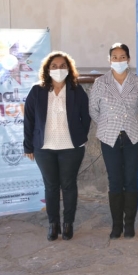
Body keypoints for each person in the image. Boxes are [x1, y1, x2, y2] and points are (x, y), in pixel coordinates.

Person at [23, 51, 91, 241]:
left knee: (69, 186)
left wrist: (79, 137)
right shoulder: (37, 91)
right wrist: (28, 146)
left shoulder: (77, 92)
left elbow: (85, 119)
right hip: (44, 148)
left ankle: (68, 223)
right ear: (47, 69)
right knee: (51, 186)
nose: (58, 69)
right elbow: (29, 120)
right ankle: (54, 224)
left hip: (71, 148)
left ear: (69, 69)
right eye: (54, 66)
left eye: (62, 66)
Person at [89, 43, 138, 239]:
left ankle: (129, 224)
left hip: (133, 136)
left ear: (128, 59)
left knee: (131, 179)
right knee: (115, 181)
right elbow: (93, 111)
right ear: (109, 60)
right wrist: (108, 125)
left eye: (123, 57)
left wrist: (131, 124)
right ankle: (116, 225)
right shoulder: (100, 83)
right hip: (109, 137)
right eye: (115, 57)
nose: (119, 60)